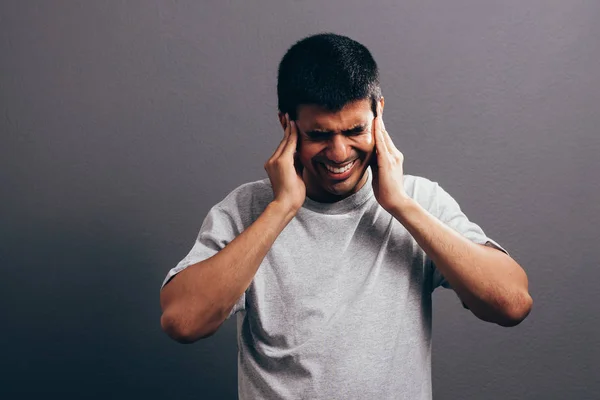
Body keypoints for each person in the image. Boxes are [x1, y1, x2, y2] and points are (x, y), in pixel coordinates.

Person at [159, 32, 532, 400]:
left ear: (378, 112)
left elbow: (512, 304)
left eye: (355, 130)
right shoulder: (246, 209)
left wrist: (400, 206)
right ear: (287, 124)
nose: (339, 153)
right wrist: (282, 208)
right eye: (319, 134)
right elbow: (184, 322)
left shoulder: (419, 200)